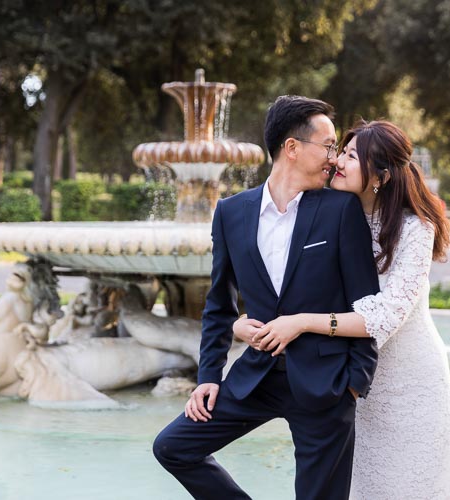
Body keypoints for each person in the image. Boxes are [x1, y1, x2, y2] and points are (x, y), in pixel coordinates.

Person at [153, 96, 380, 500]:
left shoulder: (340, 210)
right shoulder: (230, 213)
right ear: (292, 148)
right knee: (173, 448)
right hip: (255, 377)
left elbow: (366, 303)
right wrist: (207, 377)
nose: (334, 157)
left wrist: (353, 385)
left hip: (326, 385)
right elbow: (220, 306)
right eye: (328, 145)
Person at [235, 120, 450, 499]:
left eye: (352, 155)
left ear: (381, 175)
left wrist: (302, 322)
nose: (338, 160)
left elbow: (385, 317)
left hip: (412, 383)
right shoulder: (335, 216)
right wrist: (242, 322)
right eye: (341, 150)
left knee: (414, 484)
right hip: (351, 380)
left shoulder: (415, 229)